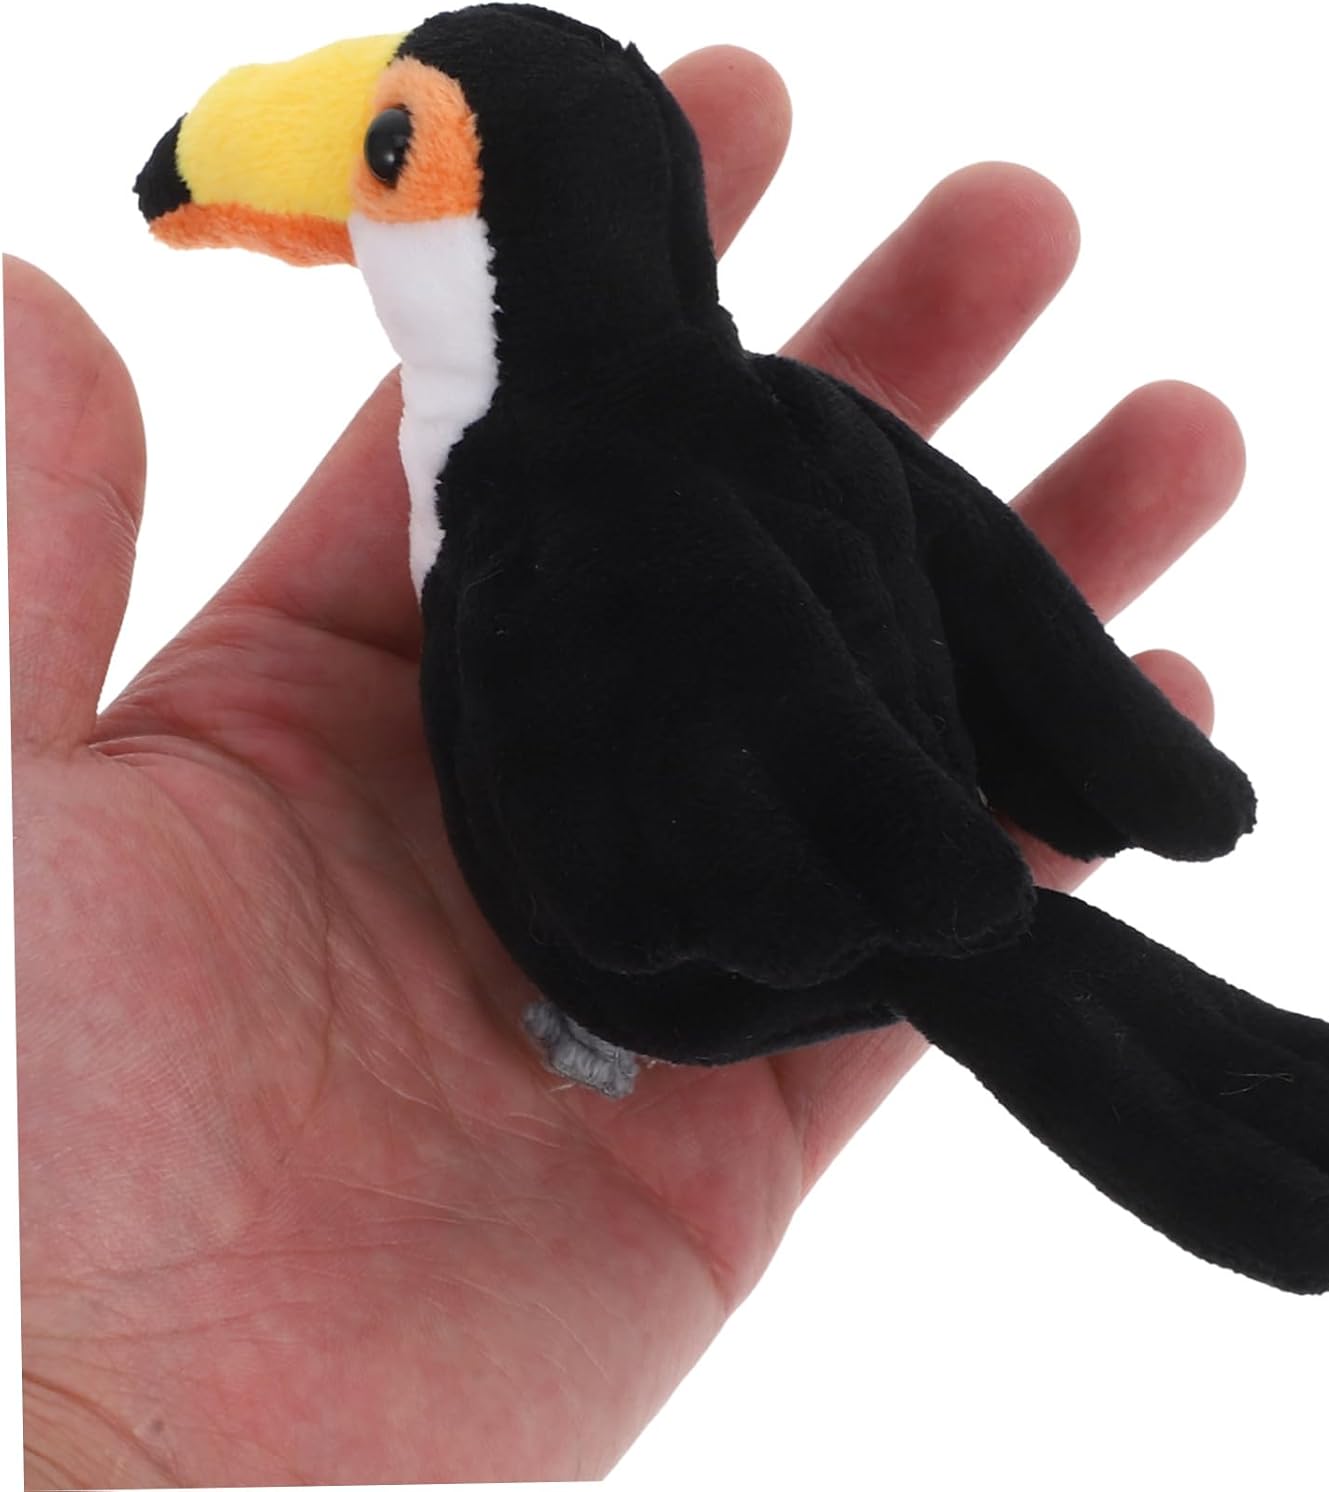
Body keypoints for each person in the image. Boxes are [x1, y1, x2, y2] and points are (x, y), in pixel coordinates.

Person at [11, 44, 1244, 1487]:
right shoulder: (782, 405)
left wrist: (724, 919)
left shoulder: (523, 492)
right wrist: (1102, 763)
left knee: (991, 978)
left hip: (698, 962)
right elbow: (976, 574)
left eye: (396, 164)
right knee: (1038, 992)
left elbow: (667, 710)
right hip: (880, 865)